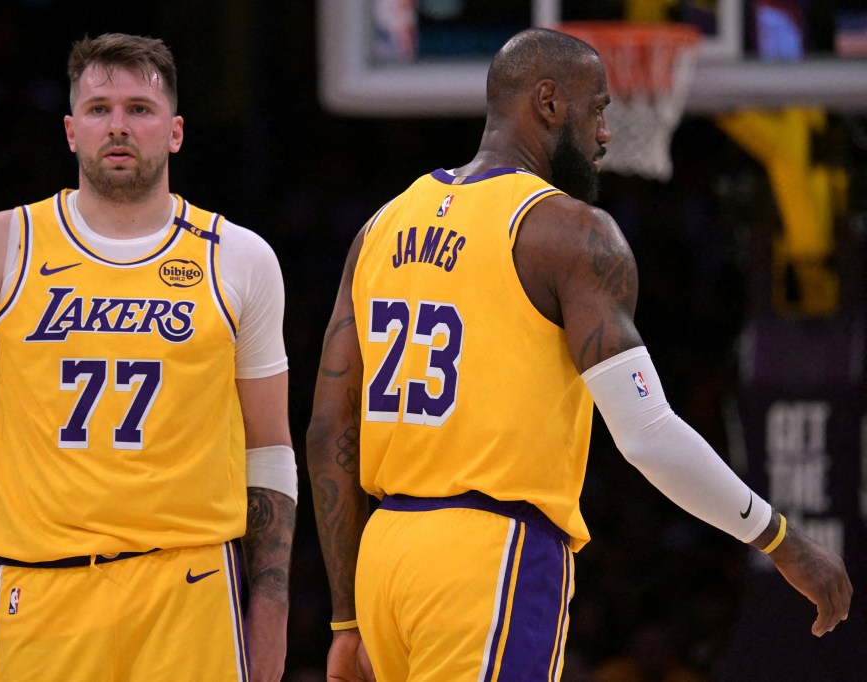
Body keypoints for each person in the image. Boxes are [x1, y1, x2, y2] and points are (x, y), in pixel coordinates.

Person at [306, 27, 851, 681]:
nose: (606, 134)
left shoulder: (381, 225)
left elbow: (329, 428)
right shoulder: (568, 232)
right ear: (547, 102)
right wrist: (778, 539)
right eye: (597, 109)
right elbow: (647, 433)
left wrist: (346, 620)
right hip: (489, 552)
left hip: (384, 558)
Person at [0, 32, 296, 682]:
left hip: (189, 591)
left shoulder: (239, 256)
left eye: (140, 108)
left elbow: (269, 444)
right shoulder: (0, 246)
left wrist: (270, 608)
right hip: (42, 590)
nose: (119, 125)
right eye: (101, 108)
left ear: (176, 132)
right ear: (72, 130)